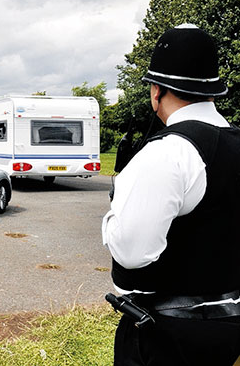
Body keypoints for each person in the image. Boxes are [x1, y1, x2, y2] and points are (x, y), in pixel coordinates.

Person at [102, 24, 240, 365]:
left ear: (156, 90)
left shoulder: (169, 152)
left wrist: (111, 218)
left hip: (171, 337)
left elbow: (132, 253)